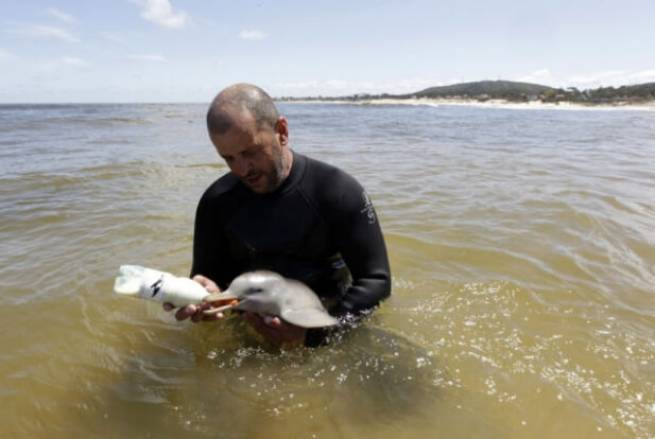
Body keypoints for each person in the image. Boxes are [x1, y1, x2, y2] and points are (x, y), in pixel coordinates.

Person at [165, 83, 391, 347]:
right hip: (249, 324)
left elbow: (376, 281)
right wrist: (206, 299)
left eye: (250, 152)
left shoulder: (337, 192)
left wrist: (315, 335)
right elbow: (208, 278)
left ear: (281, 131)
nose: (242, 169)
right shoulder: (216, 202)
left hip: (327, 320)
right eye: (229, 158)